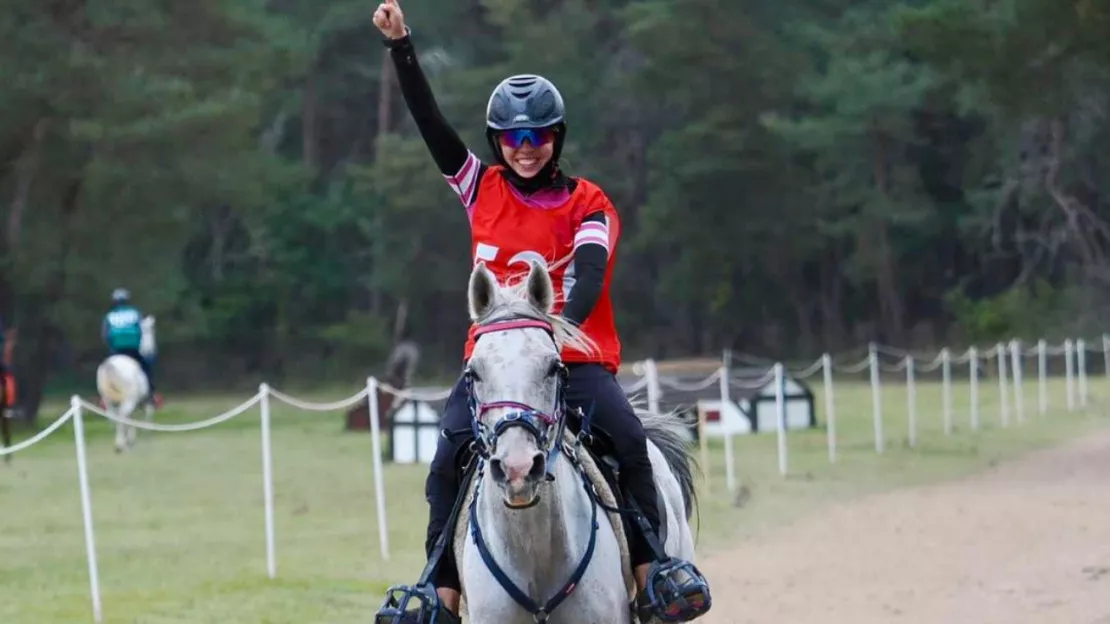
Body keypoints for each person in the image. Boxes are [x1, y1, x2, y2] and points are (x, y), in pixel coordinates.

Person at [371, 1, 711, 622]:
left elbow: (589, 275)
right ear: (498, 143)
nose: (525, 148)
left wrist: (553, 332)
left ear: (557, 138)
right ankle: (439, 594)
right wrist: (403, 49)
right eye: (512, 138)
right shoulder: (480, 188)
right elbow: (430, 124)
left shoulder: (589, 203)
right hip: (494, 367)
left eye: (538, 136)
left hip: (571, 360)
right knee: (447, 458)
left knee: (632, 442)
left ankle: (651, 574)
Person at [102, 288, 163, 408]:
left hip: (116, 350)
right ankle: (151, 395)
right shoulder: (135, 313)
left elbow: (105, 334)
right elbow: (142, 330)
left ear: (114, 302)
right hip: (133, 349)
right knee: (146, 367)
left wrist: (111, 346)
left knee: (106, 371)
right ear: (127, 300)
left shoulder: (109, 316)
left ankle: (104, 397)